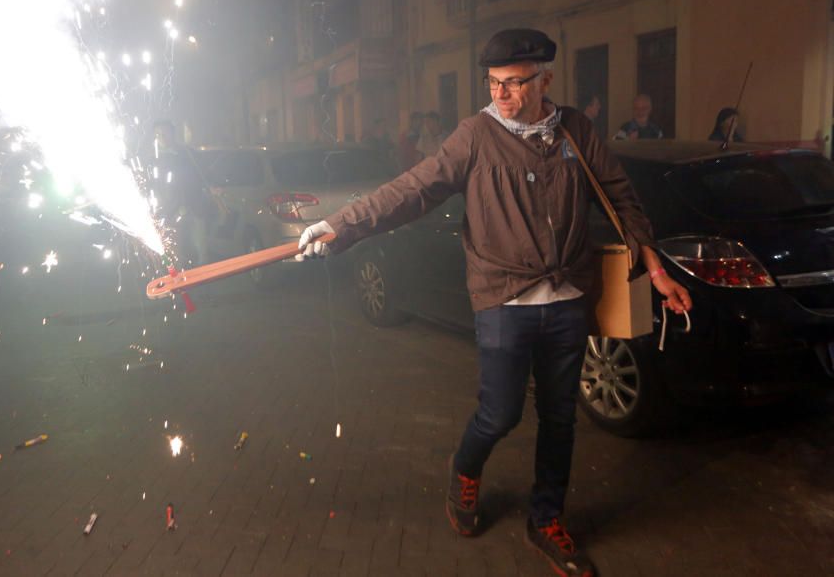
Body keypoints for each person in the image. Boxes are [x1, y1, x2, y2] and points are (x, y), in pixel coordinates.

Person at [298, 28, 692, 577]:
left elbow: (622, 196)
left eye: (514, 84)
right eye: (494, 83)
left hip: (570, 296)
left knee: (560, 418)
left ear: (544, 80)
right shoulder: (475, 136)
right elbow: (412, 189)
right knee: (500, 411)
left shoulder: (575, 130)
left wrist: (654, 269)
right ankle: (464, 471)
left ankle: (546, 517)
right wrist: (340, 227)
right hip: (503, 298)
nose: (502, 95)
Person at [142, 120, 213, 266]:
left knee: (201, 245)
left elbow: (202, 174)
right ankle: (180, 276)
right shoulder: (150, 160)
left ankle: (203, 272)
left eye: (165, 133)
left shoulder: (188, 153)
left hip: (194, 205)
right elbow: (148, 186)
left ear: (173, 134)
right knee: (174, 247)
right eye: (158, 134)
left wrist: (211, 187)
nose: (162, 137)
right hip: (168, 210)